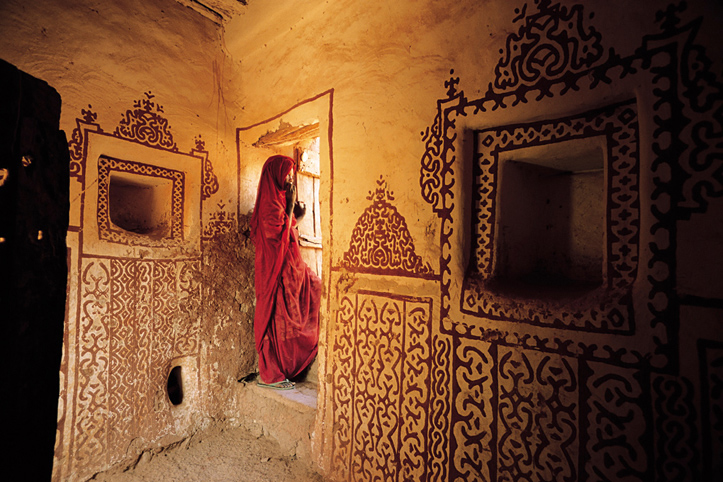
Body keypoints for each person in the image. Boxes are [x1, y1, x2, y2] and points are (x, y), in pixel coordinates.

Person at [250, 155, 321, 389]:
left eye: (291, 175)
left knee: (313, 288)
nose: (290, 180)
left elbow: (287, 227)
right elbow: (276, 236)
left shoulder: (279, 201)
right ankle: (271, 374)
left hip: (288, 267)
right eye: (287, 175)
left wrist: (293, 214)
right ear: (275, 176)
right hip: (275, 271)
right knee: (276, 319)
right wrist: (291, 206)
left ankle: (286, 367)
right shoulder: (271, 204)